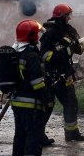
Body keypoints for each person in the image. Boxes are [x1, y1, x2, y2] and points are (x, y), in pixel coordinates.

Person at [40, 3, 84, 142]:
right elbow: (44, 56)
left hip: (66, 74)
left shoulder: (70, 30)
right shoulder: (50, 33)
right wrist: (63, 51)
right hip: (51, 76)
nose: (69, 18)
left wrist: (76, 46)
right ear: (60, 16)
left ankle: (72, 133)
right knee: (47, 106)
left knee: (72, 103)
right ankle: (38, 135)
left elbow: (80, 48)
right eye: (67, 15)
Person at [9, 19, 51, 156]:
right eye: (37, 34)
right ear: (31, 35)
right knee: (33, 138)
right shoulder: (31, 55)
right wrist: (47, 99)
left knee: (20, 136)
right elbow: (38, 83)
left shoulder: (14, 52)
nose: (39, 37)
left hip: (16, 102)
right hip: (31, 105)